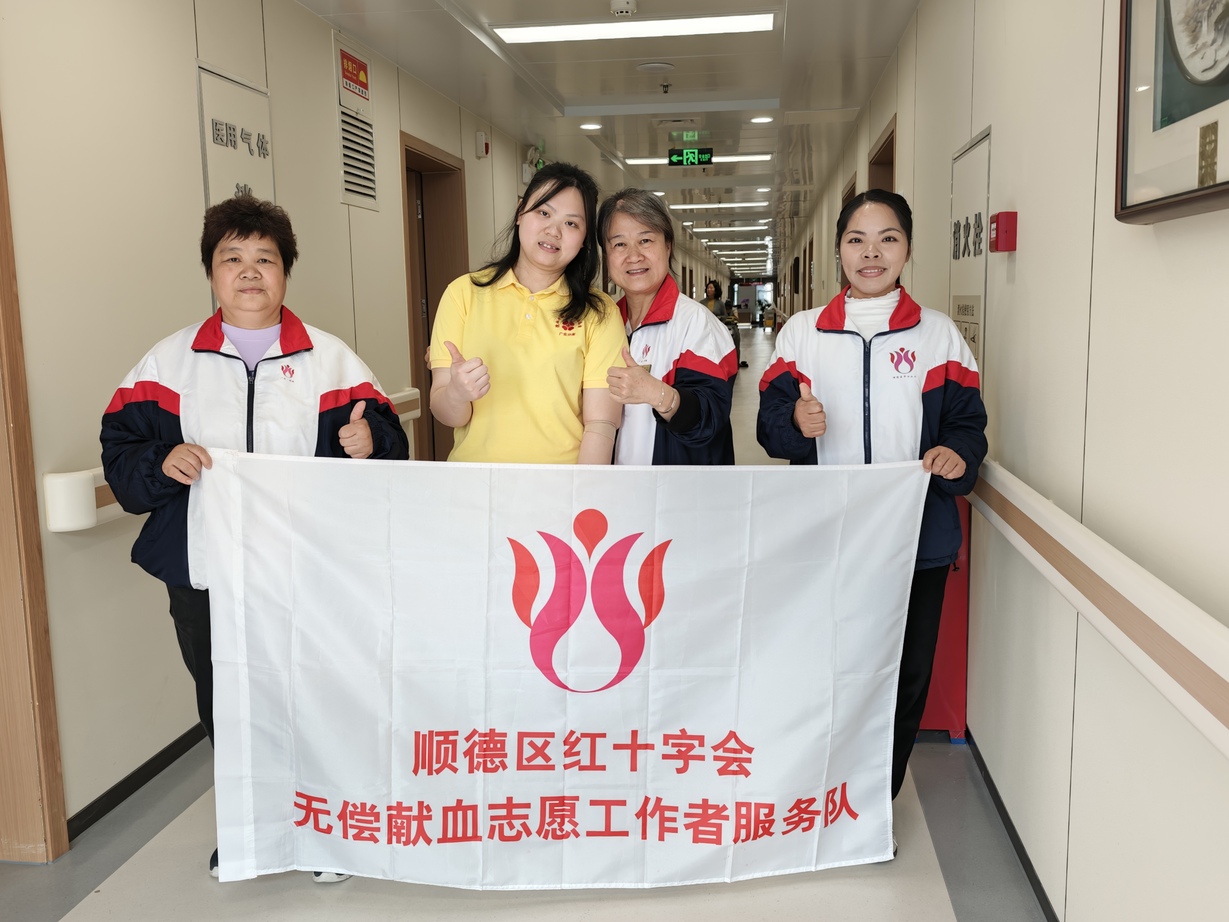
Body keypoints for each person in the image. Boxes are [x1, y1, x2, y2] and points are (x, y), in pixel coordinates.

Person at [100, 195, 409, 880]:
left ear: (285, 272)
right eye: (231, 258)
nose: (248, 272)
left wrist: (372, 442)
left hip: (306, 570)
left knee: (312, 695)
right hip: (204, 569)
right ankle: (250, 829)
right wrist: (161, 462)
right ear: (211, 272)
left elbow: (390, 441)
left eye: (264, 259)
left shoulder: (330, 360)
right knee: (225, 701)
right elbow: (119, 447)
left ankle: (325, 829)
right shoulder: (168, 363)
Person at [756, 189, 987, 818]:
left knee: (904, 673)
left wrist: (957, 454)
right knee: (828, 664)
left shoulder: (938, 336)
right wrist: (794, 423)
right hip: (827, 535)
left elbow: (968, 424)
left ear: (907, 248)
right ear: (838, 250)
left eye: (888, 238)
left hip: (916, 538)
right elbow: (769, 425)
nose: (871, 253)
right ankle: (820, 791)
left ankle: (875, 802)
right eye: (857, 239)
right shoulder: (803, 334)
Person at [428, 162, 625, 464]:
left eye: (571, 224)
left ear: (585, 239)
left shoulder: (600, 312)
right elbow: (447, 413)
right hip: (476, 482)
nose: (553, 231)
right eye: (543, 213)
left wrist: (582, 489)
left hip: (559, 484)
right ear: (521, 212)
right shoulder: (463, 293)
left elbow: (601, 424)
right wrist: (456, 393)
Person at [599, 189, 737, 465]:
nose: (633, 256)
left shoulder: (696, 323)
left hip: (678, 488)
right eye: (619, 244)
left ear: (667, 246)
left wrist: (656, 393)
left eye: (645, 240)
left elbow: (710, 419)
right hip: (617, 487)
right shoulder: (603, 324)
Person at [703, 279, 747, 369]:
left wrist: (718, 318)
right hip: (706, 329)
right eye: (708, 288)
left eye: (711, 288)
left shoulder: (720, 304)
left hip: (717, 329)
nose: (709, 290)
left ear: (716, 290)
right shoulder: (702, 303)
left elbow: (725, 316)